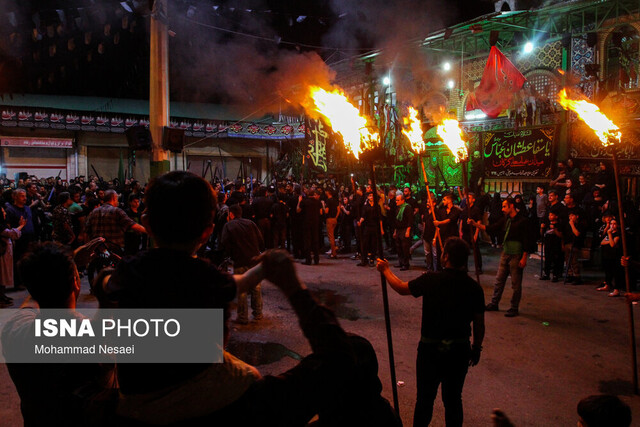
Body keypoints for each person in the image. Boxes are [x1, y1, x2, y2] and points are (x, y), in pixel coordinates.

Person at [97, 171, 400, 425]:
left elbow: (236, 284)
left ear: (148, 224)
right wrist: (293, 288)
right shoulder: (251, 404)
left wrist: (103, 284)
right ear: (206, 232)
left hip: (134, 399)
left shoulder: (128, 274)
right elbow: (339, 358)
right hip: (229, 400)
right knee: (353, 351)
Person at [2, 240, 114, 426]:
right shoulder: (97, 341)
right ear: (76, 282)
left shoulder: (14, 329)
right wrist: (106, 299)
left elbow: (30, 303)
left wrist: (66, 267)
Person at [377, 237, 485, 427]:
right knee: (453, 400)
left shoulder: (432, 280)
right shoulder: (474, 287)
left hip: (430, 351)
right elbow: (479, 323)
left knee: (425, 400)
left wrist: (386, 270)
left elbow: (402, 288)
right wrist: (476, 348)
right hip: (459, 351)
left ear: (447, 257)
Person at [469, 197, 533, 317]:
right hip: (506, 252)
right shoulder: (506, 219)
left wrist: (524, 257)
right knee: (499, 280)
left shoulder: (523, 221)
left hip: (516, 254)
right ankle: (494, 303)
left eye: (504, 206)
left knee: (515, 283)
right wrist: (475, 225)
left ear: (511, 206)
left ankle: (514, 307)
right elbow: (492, 228)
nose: (502, 209)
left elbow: (526, 240)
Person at [221, 203, 264, 324]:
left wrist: (230, 255)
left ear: (231, 214)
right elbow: (261, 239)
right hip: (254, 260)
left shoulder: (228, 226)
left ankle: (242, 317)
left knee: (242, 289)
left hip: (239, 260)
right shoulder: (250, 223)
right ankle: (258, 314)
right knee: (256, 287)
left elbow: (224, 243)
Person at [0, 207, 26, 306]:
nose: (5, 213)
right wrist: (21, 226)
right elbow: (10, 233)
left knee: (5, 273)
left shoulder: (3, 224)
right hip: (2, 252)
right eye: (2, 211)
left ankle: (2, 295)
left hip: (6, 251)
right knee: (2, 273)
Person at [393, 191, 414, 271]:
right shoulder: (398, 208)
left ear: (402, 200)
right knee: (399, 247)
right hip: (398, 229)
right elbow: (396, 220)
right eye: (396, 200)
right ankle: (400, 262)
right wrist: (395, 231)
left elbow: (410, 220)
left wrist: (408, 231)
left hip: (405, 229)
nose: (396, 202)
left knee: (405, 247)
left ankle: (406, 264)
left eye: (398, 200)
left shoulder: (407, 207)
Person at [324, 188, 340, 259]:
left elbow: (326, 211)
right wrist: (336, 217)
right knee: (332, 235)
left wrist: (323, 206)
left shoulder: (328, 200)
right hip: (334, 219)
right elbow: (338, 209)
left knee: (331, 237)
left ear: (328, 192)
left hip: (330, 219)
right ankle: (333, 252)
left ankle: (333, 253)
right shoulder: (335, 200)